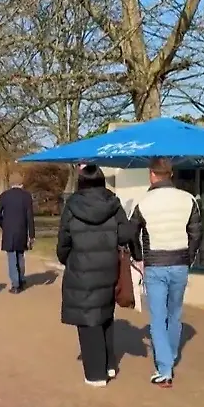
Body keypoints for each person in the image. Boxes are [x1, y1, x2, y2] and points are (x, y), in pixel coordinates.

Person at [56, 165, 137, 387]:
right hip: (108, 266)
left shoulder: (72, 205)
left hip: (81, 268)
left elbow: (64, 240)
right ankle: (109, 364)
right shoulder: (114, 203)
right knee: (105, 314)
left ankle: (95, 374)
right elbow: (125, 234)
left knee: (88, 320)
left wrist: (66, 258)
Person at [129, 158, 203, 388]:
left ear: (152, 174)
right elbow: (196, 232)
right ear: (171, 174)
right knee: (175, 314)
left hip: (154, 264)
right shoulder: (188, 199)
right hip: (180, 262)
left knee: (158, 318)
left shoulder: (143, 202)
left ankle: (164, 368)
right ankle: (169, 357)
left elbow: (131, 233)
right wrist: (189, 257)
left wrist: (138, 257)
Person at [0, 173, 35, 293]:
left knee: (12, 257)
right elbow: (30, 217)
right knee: (20, 256)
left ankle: (15, 284)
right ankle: (21, 279)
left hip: (9, 231)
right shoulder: (26, 196)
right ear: (21, 183)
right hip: (22, 230)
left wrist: (3, 224)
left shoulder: (5, 196)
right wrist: (31, 235)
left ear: (11, 183)